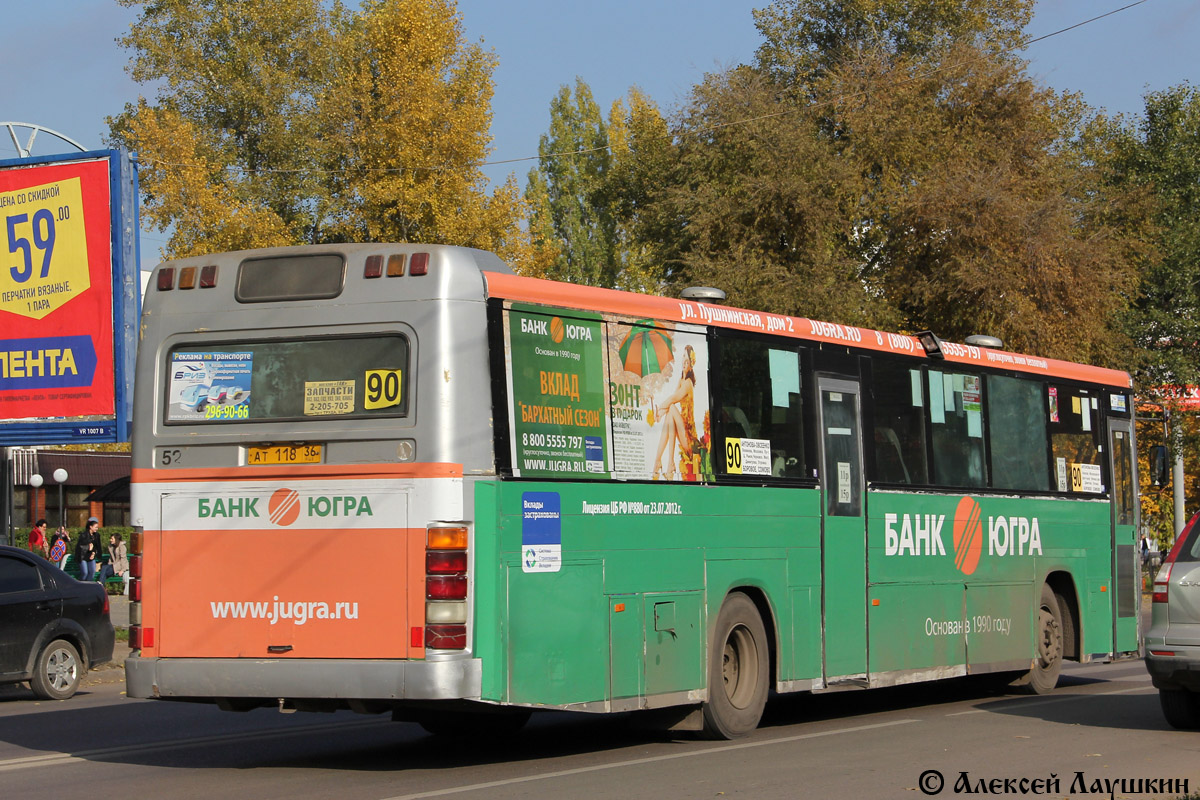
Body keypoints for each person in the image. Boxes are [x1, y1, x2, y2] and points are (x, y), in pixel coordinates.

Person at [651, 345, 699, 480]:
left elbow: (673, 399)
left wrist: (660, 410)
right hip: (681, 430)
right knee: (670, 416)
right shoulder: (681, 380)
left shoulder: (688, 383)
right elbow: (672, 398)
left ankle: (663, 462)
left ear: (691, 363)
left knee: (671, 408)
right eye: (683, 356)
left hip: (689, 438)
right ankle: (666, 463)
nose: (684, 361)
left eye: (687, 359)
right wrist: (659, 414)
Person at [75, 517, 101, 582]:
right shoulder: (83, 535)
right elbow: (79, 547)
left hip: (91, 557)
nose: (97, 529)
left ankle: (88, 586)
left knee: (92, 572)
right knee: (85, 573)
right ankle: (80, 585)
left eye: (97, 527)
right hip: (83, 557)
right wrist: (88, 547)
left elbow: (97, 547)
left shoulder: (96, 535)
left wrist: (94, 553)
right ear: (90, 527)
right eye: (95, 527)